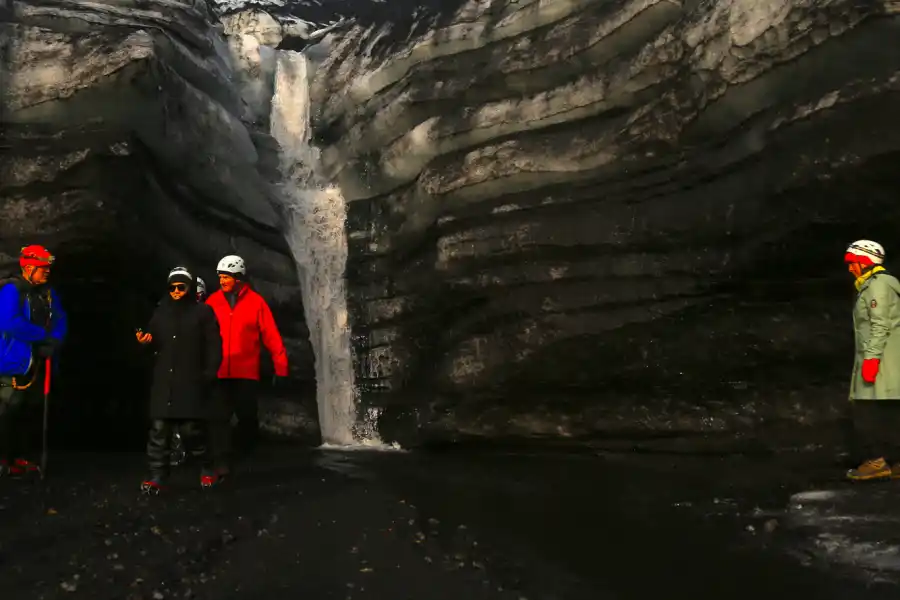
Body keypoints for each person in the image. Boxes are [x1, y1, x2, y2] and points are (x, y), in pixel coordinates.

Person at [135, 266, 222, 492]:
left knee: (192, 430)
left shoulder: (202, 313)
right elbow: (153, 341)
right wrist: (145, 343)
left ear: (190, 287)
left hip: (190, 379)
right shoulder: (161, 312)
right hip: (165, 380)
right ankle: (157, 476)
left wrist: (209, 373)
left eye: (181, 287)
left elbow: (214, 345)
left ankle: (207, 467)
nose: (175, 291)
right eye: (172, 287)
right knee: (159, 431)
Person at [205, 255, 287, 483]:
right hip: (219, 371)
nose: (222, 280)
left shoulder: (256, 303)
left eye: (226, 277)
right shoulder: (212, 302)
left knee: (247, 419)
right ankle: (222, 464)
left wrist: (281, 368)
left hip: (246, 372)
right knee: (218, 418)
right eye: (220, 276)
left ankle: (243, 457)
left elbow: (271, 336)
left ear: (239, 278)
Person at [0, 245, 68, 477]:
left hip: (38, 363)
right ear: (28, 268)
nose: (47, 272)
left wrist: (55, 341)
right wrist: (43, 337)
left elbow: (60, 319)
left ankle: (18, 457)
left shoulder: (48, 293)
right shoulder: (12, 290)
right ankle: (4, 458)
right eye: (42, 268)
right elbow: (9, 322)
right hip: (12, 363)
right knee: (7, 410)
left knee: (29, 411)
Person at [844, 240, 900, 481]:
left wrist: (871, 360)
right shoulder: (872, 286)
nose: (849, 268)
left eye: (852, 262)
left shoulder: (878, 287)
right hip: (883, 359)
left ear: (865, 261)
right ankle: (895, 462)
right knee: (889, 410)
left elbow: (880, 325)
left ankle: (876, 461)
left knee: (866, 410)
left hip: (881, 360)